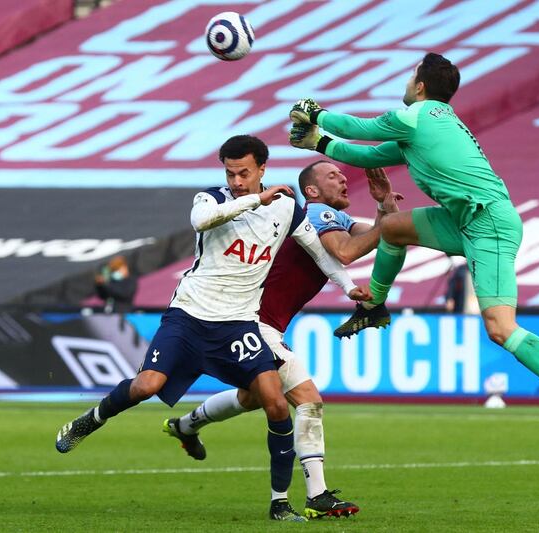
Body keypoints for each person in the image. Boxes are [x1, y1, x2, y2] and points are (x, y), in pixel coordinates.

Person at [288, 52, 539, 453]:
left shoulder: (417, 115)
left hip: (487, 224)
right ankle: (374, 307)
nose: (407, 83)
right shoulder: (426, 125)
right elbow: (366, 156)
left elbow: (362, 129)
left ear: (420, 87)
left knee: (500, 328)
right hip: (467, 218)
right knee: (392, 226)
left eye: (410, 77)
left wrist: (316, 114)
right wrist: (317, 142)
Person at [54, 135, 370, 522]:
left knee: (273, 400)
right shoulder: (213, 198)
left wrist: (348, 286)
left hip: (238, 324)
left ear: (262, 169)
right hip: (188, 315)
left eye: (244, 173)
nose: (236, 180)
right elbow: (200, 221)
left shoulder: (286, 207)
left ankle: (280, 503)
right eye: (230, 172)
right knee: (146, 386)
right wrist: (256, 198)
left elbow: (320, 252)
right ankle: (90, 421)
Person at [163, 161, 402, 519]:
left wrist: (385, 208)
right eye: (332, 175)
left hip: (260, 323)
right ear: (312, 192)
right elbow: (348, 252)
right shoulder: (318, 214)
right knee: (308, 399)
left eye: (341, 174)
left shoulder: (336, 220)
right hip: (254, 323)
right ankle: (317, 495)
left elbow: (384, 236)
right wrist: (391, 222)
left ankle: (186, 424)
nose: (342, 179)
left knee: (252, 397)